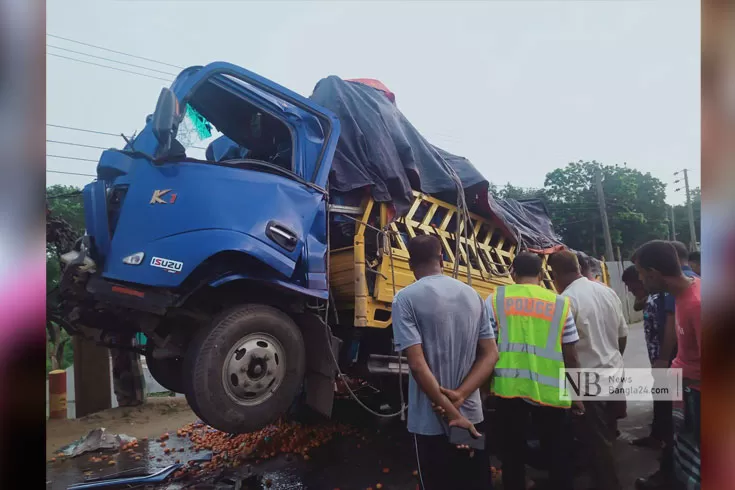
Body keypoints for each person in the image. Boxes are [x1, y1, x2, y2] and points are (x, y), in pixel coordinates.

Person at [392, 234, 499, 490]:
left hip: (431, 421)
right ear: (442, 258)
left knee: (440, 481)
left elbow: (417, 366)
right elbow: (491, 353)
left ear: (410, 263)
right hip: (470, 416)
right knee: (474, 480)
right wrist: (461, 397)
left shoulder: (405, 299)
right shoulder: (473, 295)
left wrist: (453, 416)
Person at [483, 252, 582, 490]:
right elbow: (571, 354)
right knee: (557, 449)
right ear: (541, 275)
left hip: (509, 388)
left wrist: (484, 389)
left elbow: (487, 347)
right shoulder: (560, 303)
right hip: (549, 389)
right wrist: (577, 393)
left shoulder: (495, 299)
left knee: (512, 451)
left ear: (512, 273)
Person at [548, 250, 628, 490]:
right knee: (608, 434)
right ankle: (605, 476)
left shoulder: (565, 301)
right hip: (614, 372)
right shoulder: (607, 291)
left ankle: (609, 484)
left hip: (588, 380)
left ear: (555, 274)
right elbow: (622, 335)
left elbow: (566, 352)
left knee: (597, 442)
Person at [633, 241, 701, 490]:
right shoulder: (682, 296)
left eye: (641, 273)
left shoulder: (697, 304)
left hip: (698, 397)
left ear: (654, 273)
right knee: (685, 456)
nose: (640, 280)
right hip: (685, 391)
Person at [622, 265, 668, 449]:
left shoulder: (661, 297)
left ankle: (664, 441)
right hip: (656, 358)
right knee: (659, 396)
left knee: (665, 399)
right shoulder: (649, 297)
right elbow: (636, 304)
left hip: (663, 359)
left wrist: (663, 359)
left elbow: (668, 331)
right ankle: (658, 435)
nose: (630, 290)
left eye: (631, 285)